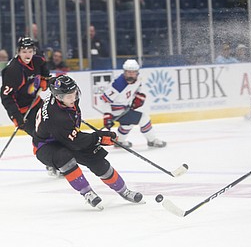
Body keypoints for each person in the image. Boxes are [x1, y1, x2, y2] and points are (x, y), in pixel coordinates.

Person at [32, 75, 144, 209]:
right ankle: (87, 193)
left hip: (64, 134)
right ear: (58, 97)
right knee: (65, 157)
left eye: (74, 93)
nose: (73, 98)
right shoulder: (57, 117)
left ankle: (123, 190)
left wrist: (44, 80)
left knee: (96, 159)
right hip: (46, 145)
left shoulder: (61, 91)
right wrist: (99, 138)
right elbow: (77, 141)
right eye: (69, 96)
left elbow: (52, 80)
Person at [0, 37, 57, 175]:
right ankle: (51, 162)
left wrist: (45, 79)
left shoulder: (38, 59)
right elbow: (6, 96)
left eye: (30, 51)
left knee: (55, 127)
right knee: (40, 135)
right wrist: (16, 117)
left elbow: (44, 70)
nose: (27, 54)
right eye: (24, 51)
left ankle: (58, 158)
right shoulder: (13, 70)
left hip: (36, 102)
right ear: (18, 52)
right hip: (22, 111)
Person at [100, 59, 166, 148]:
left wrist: (139, 96)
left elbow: (138, 88)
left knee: (127, 124)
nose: (131, 74)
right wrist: (107, 116)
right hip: (115, 112)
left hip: (124, 109)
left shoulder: (138, 79)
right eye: (128, 72)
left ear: (137, 72)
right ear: (124, 72)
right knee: (144, 118)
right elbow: (105, 100)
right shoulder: (118, 84)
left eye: (133, 72)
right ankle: (152, 140)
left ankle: (119, 141)